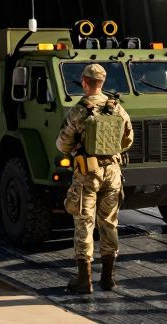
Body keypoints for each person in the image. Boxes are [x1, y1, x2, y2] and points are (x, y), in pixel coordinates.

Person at [55, 63, 134, 294]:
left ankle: (84, 279)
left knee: (84, 222)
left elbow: (62, 144)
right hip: (113, 172)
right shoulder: (116, 108)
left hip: (87, 173)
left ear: (84, 82)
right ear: (103, 82)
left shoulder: (79, 110)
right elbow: (128, 139)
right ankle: (108, 278)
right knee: (109, 223)